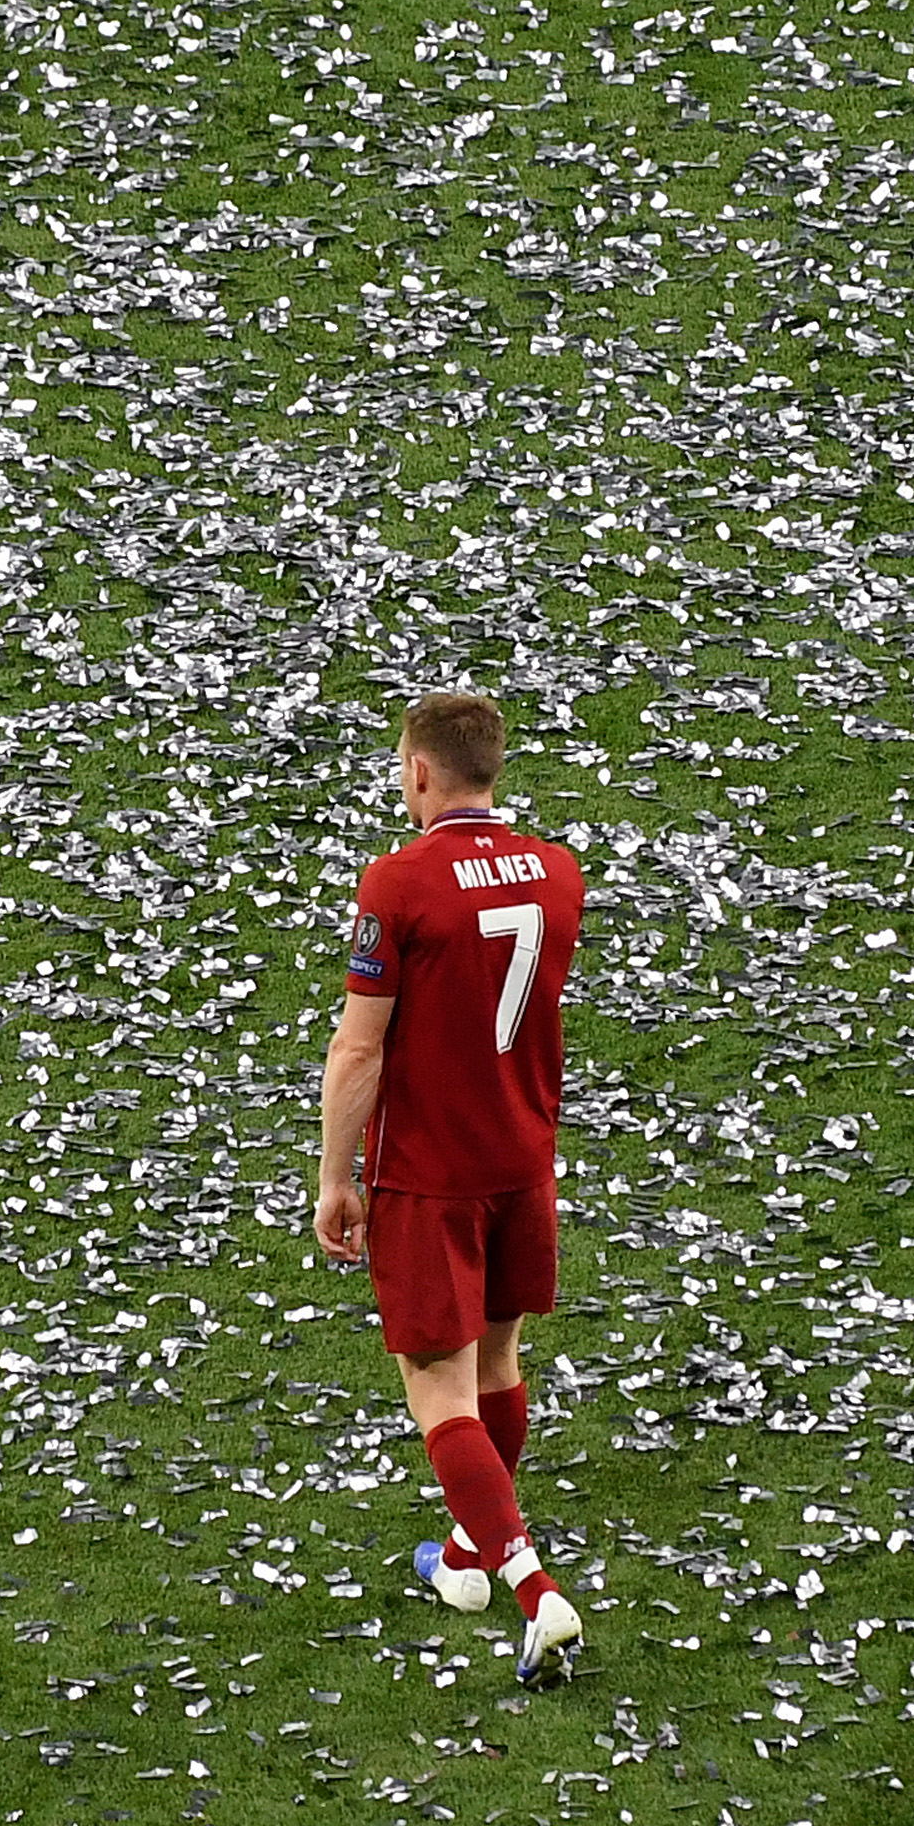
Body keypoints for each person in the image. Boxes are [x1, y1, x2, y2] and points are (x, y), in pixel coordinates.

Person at [315, 691, 587, 1687]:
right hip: (521, 1161)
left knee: (437, 1383)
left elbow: (359, 1047)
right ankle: (470, 1555)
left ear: (420, 771)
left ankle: (529, 1583)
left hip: (431, 1176)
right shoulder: (560, 873)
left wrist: (333, 1177)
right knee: (500, 1359)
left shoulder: (399, 882)